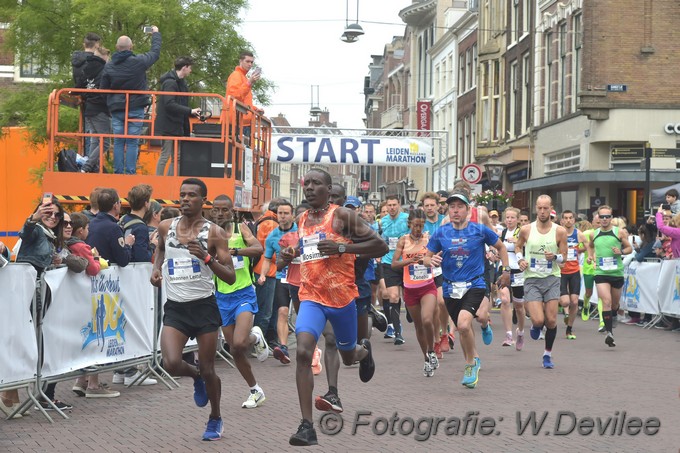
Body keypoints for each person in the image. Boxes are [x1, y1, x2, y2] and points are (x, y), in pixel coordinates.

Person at [282, 169, 387, 446]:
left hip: (342, 299)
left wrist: (342, 250)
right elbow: (309, 249)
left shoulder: (341, 216)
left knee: (348, 355)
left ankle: (364, 351)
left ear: (329, 189)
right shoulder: (302, 218)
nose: (309, 187)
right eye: (307, 183)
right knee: (303, 351)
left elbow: (380, 246)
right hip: (312, 297)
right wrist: (292, 254)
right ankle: (306, 426)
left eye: (316, 183)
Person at [150, 178, 235, 441]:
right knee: (172, 363)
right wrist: (155, 269)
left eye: (192, 195)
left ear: (203, 201)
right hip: (176, 307)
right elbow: (161, 251)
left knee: (210, 369)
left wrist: (206, 258)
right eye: (182, 195)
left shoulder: (214, 233)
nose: (185, 199)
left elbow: (230, 276)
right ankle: (195, 376)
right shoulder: (166, 227)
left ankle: (215, 417)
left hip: (203, 307)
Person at [424, 190, 510, 389]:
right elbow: (426, 257)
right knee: (464, 330)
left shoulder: (479, 230)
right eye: (452, 207)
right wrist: (432, 259)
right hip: (450, 288)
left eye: (459, 207)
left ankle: (470, 364)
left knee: (463, 325)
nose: (455, 211)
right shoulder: (441, 232)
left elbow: (502, 247)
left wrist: (505, 271)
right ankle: (474, 358)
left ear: (468, 210)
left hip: (475, 284)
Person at [210, 194, 270, 409]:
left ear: (232, 211)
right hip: (222, 296)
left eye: (224, 209)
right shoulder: (209, 232)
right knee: (234, 349)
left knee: (239, 343)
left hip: (243, 292)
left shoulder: (240, 228)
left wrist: (233, 251)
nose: (219, 213)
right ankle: (255, 390)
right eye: (216, 209)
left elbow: (258, 249)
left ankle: (254, 335)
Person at [67, 212, 119, 398]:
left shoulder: (68, 245)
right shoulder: (81, 246)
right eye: (87, 228)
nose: (89, 231)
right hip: (87, 300)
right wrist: (96, 258)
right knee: (95, 337)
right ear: (80, 230)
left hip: (77, 299)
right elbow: (93, 269)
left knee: (87, 338)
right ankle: (93, 385)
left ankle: (81, 381)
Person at [514, 195, 568, 369]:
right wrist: (520, 259)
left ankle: (547, 354)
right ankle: (535, 327)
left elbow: (564, 258)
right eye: (539, 208)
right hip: (532, 278)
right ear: (535, 208)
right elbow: (517, 246)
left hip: (552, 278)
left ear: (551, 208)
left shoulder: (559, 231)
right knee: (538, 320)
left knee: (551, 321)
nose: (542, 212)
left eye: (546, 208)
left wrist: (555, 257)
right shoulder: (526, 229)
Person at [100, 27, 161, 174]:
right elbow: (155, 53)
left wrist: (111, 102)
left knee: (119, 141)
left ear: (116, 48)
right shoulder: (139, 62)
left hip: (117, 108)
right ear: (131, 47)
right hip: (136, 107)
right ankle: (130, 172)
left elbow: (103, 89)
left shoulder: (109, 66)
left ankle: (118, 172)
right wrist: (156, 35)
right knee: (133, 141)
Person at [392, 209, 439, 376]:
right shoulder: (403, 241)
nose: (418, 229)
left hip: (427, 286)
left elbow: (438, 257)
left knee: (427, 320)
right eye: (415, 226)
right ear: (409, 224)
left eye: (421, 225)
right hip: (410, 289)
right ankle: (426, 358)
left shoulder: (429, 239)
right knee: (419, 325)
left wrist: (432, 261)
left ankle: (432, 350)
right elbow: (394, 264)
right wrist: (410, 260)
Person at [586, 205, 632, 347]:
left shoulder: (619, 232)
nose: (605, 219)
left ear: (611, 218)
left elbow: (629, 248)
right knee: (606, 301)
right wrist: (590, 257)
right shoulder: (595, 233)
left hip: (616, 272)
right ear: (598, 218)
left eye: (607, 216)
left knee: (614, 304)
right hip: (601, 273)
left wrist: (621, 252)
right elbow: (591, 246)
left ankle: (613, 315)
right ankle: (609, 334)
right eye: (602, 217)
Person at [259, 201, 297, 362]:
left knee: (302, 314)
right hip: (282, 277)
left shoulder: (300, 231)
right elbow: (267, 259)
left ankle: (309, 346)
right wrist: (262, 275)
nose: (282, 216)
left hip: (301, 278)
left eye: (286, 213)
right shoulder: (272, 236)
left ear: (292, 215)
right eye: (280, 213)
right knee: (281, 311)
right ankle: (283, 348)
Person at [154, 56, 201, 176]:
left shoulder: (180, 83)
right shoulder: (170, 83)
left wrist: (191, 112)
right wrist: (190, 111)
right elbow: (169, 104)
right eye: (190, 68)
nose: (190, 71)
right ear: (184, 67)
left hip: (177, 124)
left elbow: (177, 104)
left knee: (177, 156)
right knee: (166, 155)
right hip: (169, 125)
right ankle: (159, 181)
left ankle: (171, 180)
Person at [420, 191, 451, 359]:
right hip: (425, 268)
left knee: (442, 301)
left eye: (432, 205)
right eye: (427, 206)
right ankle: (437, 340)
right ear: (422, 207)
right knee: (430, 310)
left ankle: (445, 332)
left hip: (442, 266)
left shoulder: (444, 222)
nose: (430, 208)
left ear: (438, 206)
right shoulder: (420, 224)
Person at [380, 194, 410, 345]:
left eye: (394, 205)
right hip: (389, 262)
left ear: (399, 205)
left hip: (405, 261)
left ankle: (410, 311)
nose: (391, 208)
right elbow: (381, 239)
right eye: (389, 205)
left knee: (408, 297)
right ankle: (398, 333)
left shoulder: (406, 219)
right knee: (393, 296)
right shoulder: (383, 221)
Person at [498, 207, 527, 349]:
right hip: (505, 269)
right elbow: (499, 249)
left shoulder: (522, 232)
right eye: (507, 217)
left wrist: (517, 241)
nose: (509, 220)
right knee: (504, 299)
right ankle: (509, 335)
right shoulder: (502, 232)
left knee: (519, 306)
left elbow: (528, 245)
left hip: (518, 270)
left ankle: (520, 332)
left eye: (512, 217)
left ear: (517, 219)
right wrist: (494, 254)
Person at [80, 47, 112, 174]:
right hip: (100, 108)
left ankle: (89, 165)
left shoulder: (86, 68)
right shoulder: (104, 69)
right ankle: (87, 166)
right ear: (105, 57)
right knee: (105, 142)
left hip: (89, 107)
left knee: (95, 139)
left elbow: (80, 84)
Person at [559, 210, 587, 340]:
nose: (568, 220)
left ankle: (569, 329)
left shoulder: (578, 234)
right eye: (566, 218)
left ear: (574, 220)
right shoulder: (558, 233)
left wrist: (586, 254)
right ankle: (562, 312)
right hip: (561, 272)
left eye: (571, 218)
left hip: (574, 271)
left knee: (574, 302)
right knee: (565, 302)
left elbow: (588, 246)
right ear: (562, 220)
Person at [226, 50, 264, 140]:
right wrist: (249, 82)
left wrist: (255, 109)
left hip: (242, 122)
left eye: (251, 62)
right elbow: (235, 96)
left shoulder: (243, 77)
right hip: (237, 123)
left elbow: (244, 101)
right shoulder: (236, 75)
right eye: (247, 61)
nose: (250, 64)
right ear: (240, 61)